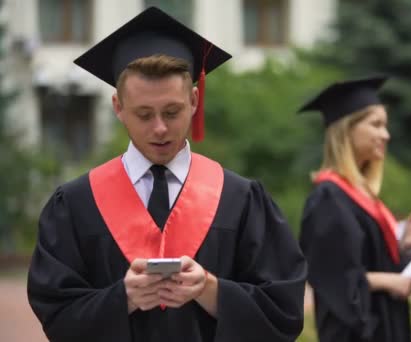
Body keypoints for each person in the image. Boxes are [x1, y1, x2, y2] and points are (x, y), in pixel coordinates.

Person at [27, 7, 306, 342]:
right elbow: (57, 316)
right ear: (118, 107)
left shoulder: (241, 199)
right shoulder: (75, 204)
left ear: (193, 100)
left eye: (171, 112)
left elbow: (285, 312)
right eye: (144, 114)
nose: (159, 128)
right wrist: (123, 299)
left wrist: (212, 291)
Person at [298, 76, 411, 342]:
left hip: (386, 326)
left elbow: (363, 261)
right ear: (347, 130)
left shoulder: (362, 196)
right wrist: (387, 281)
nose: (386, 134)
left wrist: (403, 245)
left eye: (385, 125)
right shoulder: (328, 199)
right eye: (376, 125)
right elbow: (332, 278)